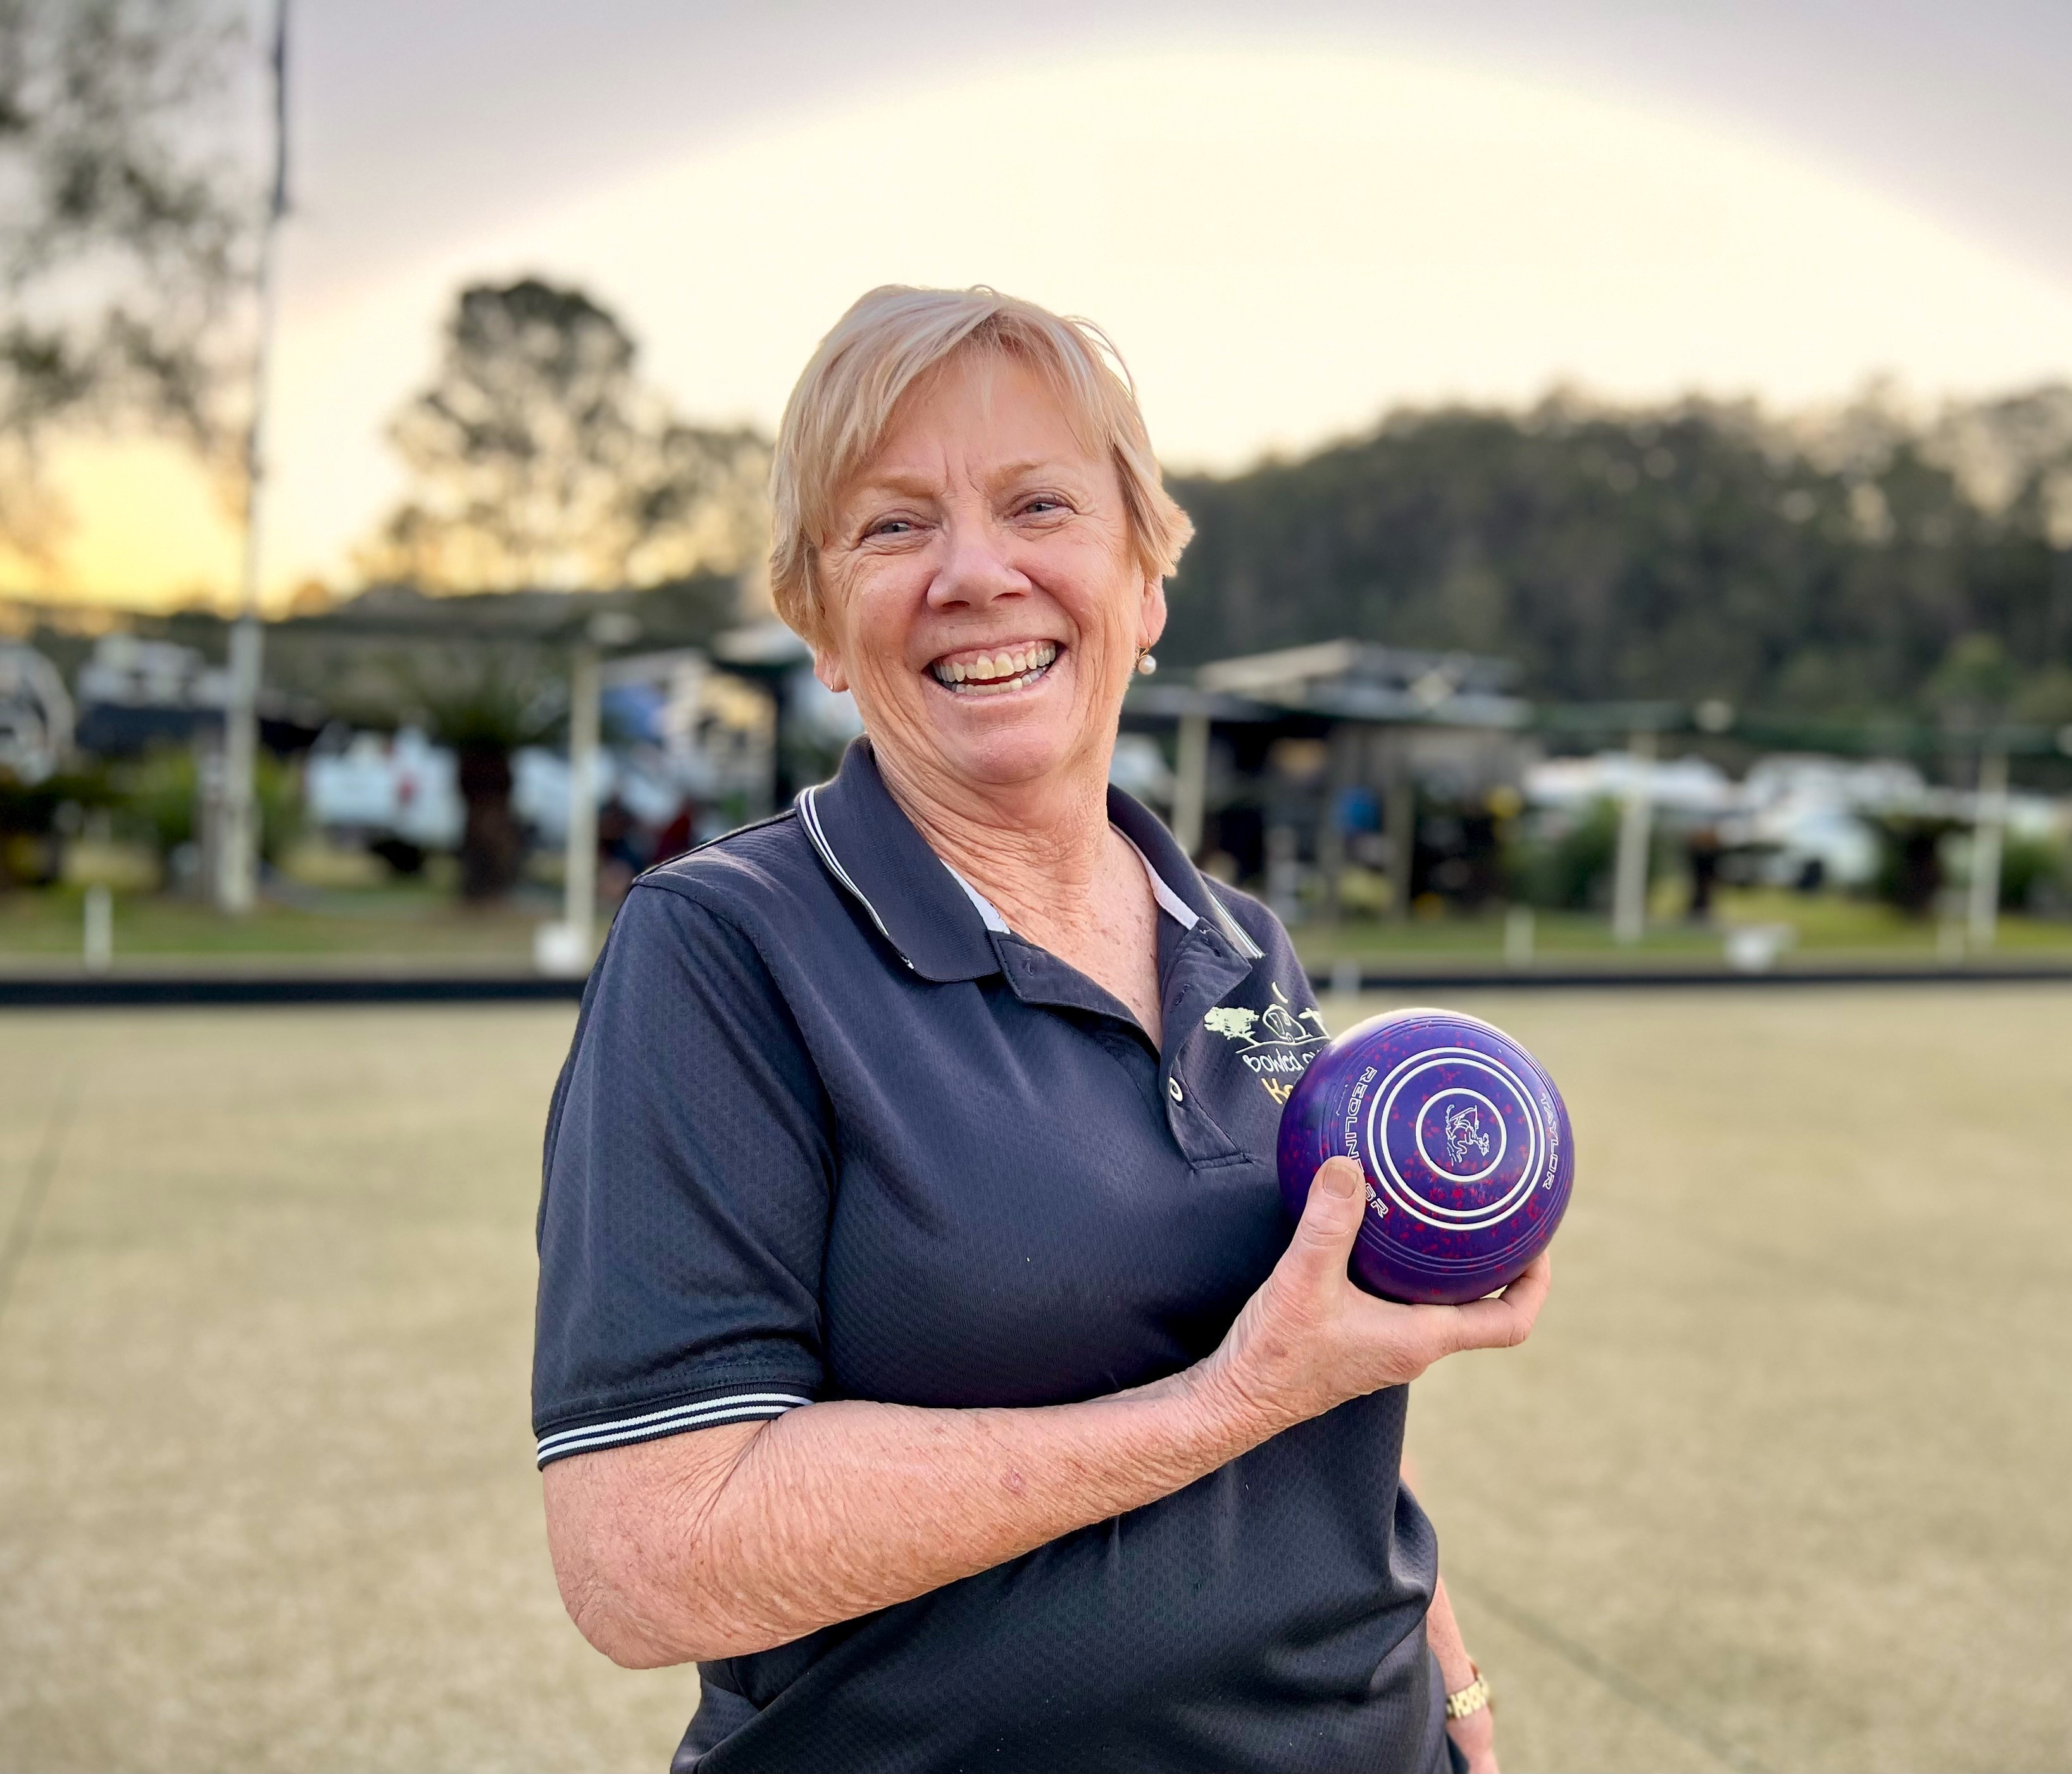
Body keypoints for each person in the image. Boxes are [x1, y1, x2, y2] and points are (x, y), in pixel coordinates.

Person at [532, 285, 1550, 1774]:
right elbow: (647, 1557)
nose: (974, 572)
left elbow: (1329, 1413)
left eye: (1040, 504)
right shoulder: (726, 951)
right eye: (891, 526)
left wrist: (1453, 1689)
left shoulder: (1238, 944)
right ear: (820, 621)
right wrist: (1221, 1402)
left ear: (1143, 584)